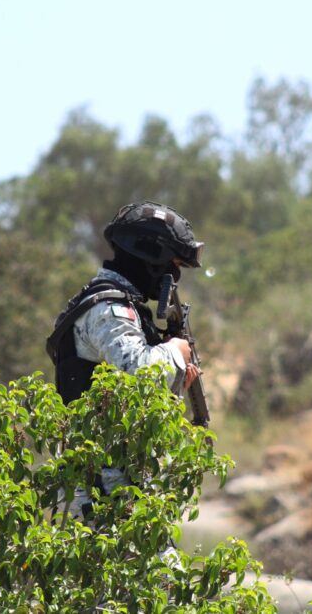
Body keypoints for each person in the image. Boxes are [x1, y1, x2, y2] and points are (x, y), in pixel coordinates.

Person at [47, 202, 203, 519]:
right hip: (100, 493)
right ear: (152, 259)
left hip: (120, 486)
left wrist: (175, 388)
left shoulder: (123, 307)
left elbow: (132, 403)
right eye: (173, 264)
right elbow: (142, 373)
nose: (174, 276)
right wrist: (176, 351)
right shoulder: (108, 308)